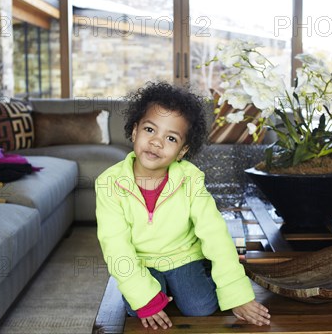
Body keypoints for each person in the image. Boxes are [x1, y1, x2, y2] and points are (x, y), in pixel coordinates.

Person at [95, 81, 270, 330]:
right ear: (134, 132)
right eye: (149, 130)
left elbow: (215, 233)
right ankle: (152, 290)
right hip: (141, 260)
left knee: (201, 308)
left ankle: (208, 270)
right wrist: (144, 297)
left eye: (170, 138)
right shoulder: (109, 183)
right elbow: (115, 246)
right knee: (138, 309)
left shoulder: (190, 180)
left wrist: (236, 293)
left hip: (183, 255)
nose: (157, 142)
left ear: (181, 151)